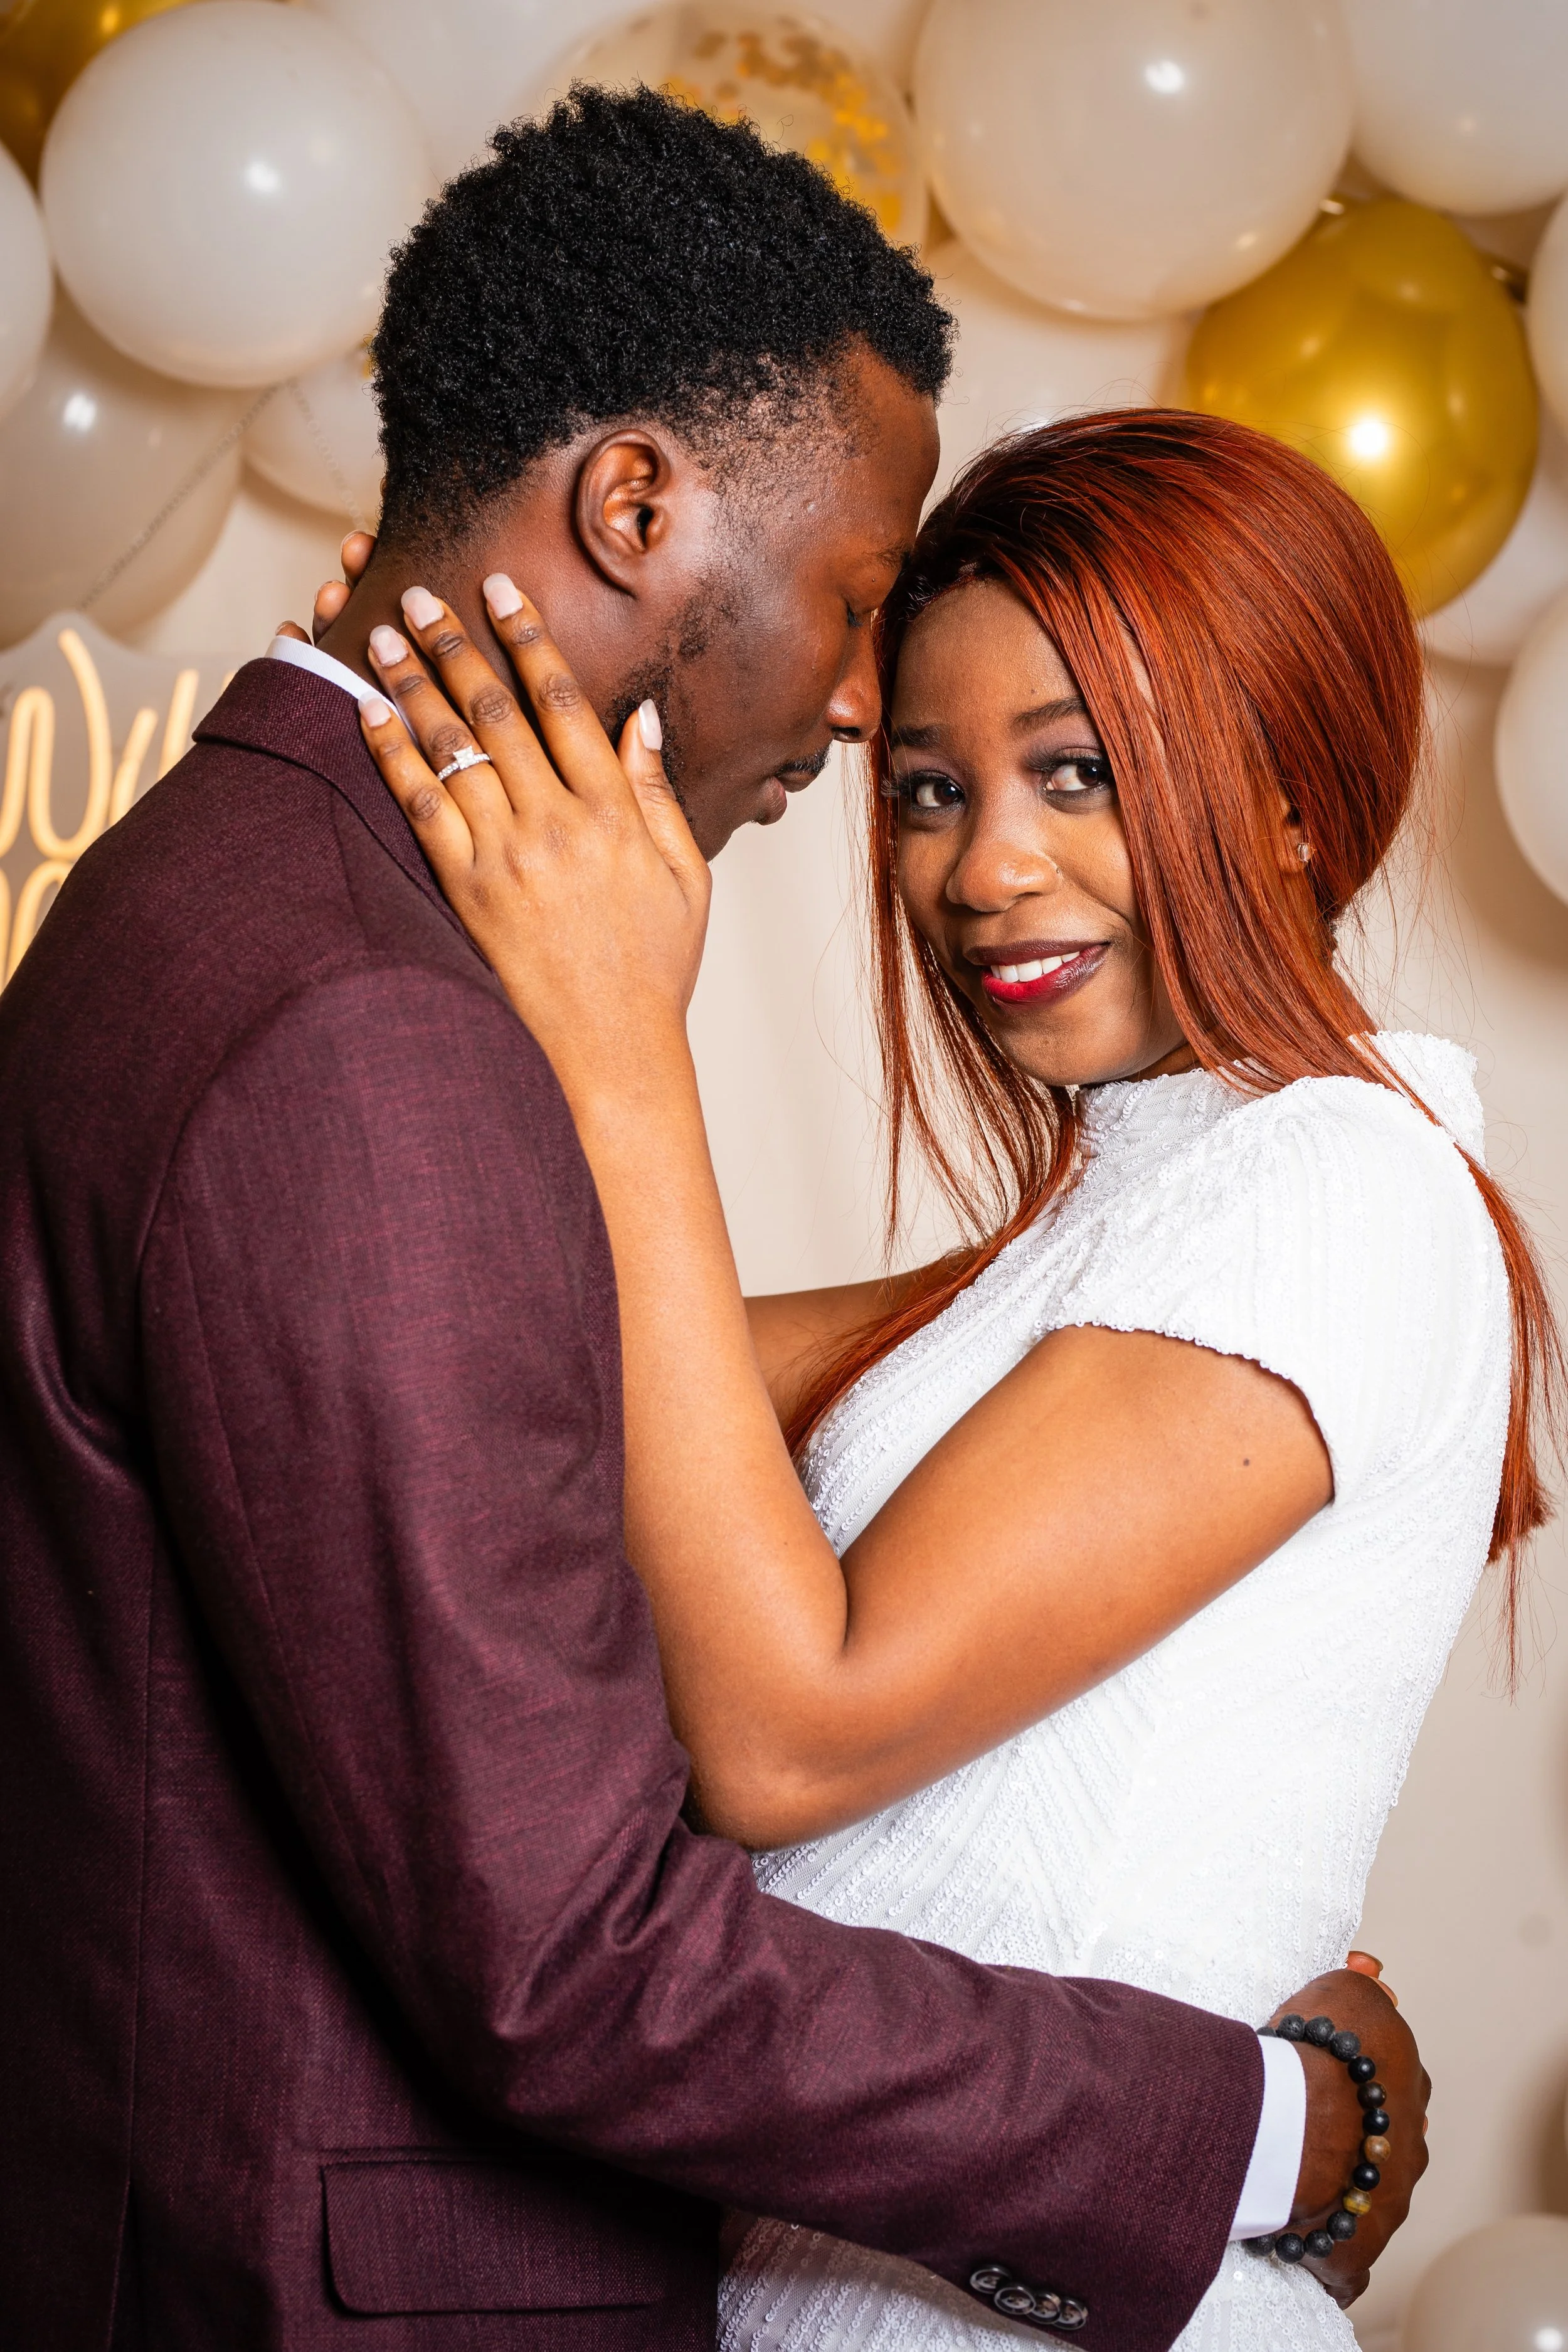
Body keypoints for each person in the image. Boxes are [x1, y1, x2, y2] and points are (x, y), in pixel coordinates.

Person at [0, 93, 1421, 2352]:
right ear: (638, 504)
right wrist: (1249, 2124)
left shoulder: (239, 894)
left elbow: (520, 1471)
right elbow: (570, 1962)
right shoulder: (362, 1020)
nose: (865, 714)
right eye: (860, 605)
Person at [342, 400, 1564, 2351]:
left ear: (1287, 797)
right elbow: (566, 1360)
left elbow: (787, 1732)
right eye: (925, 789)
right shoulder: (1112, 1228)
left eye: (1074, 773)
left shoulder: (1336, 1184)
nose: (987, 865)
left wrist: (623, 1042)